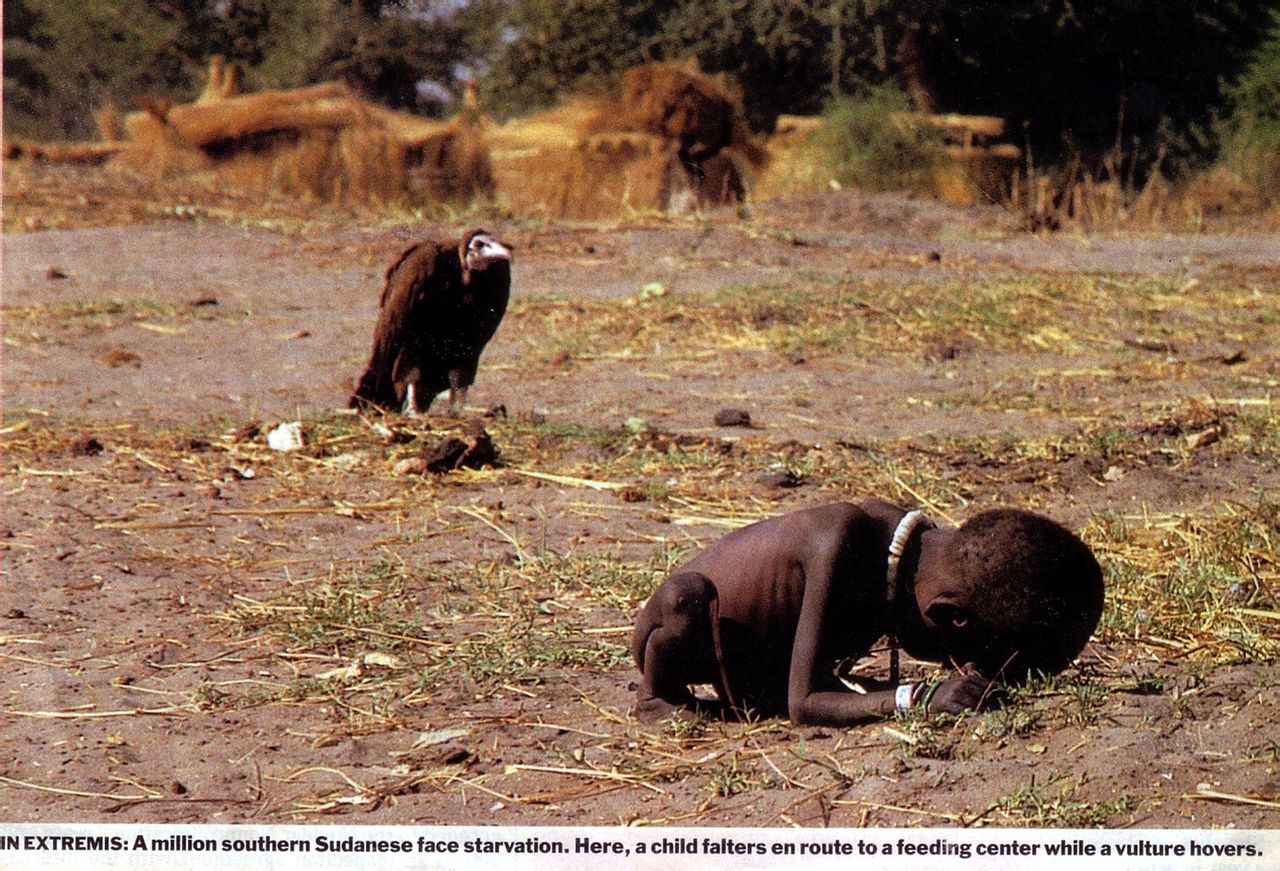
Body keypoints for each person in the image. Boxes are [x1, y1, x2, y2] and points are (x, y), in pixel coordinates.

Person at [630, 498, 1104, 725]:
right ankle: (658, 698)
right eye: (960, 657)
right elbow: (804, 704)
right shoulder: (840, 544)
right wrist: (917, 698)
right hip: (687, 636)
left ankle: (751, 691)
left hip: (762, 660)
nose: (961, 669)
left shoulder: (914, 555)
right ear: (946, 617)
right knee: (683, 601)